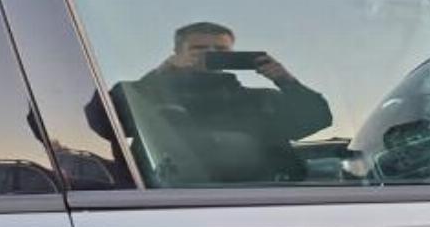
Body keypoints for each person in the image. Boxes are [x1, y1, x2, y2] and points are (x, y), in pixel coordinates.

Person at [111, 22, 332, 185]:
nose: (211, 53)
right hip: (165, 201)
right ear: (177, 54)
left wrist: (286, 80)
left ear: (233, 54)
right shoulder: (150, 97)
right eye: (199, 48)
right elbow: (107, 122)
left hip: (263, 200)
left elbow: (317, 119)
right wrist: (160, 73)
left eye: (221, 50)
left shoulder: (261, 100)